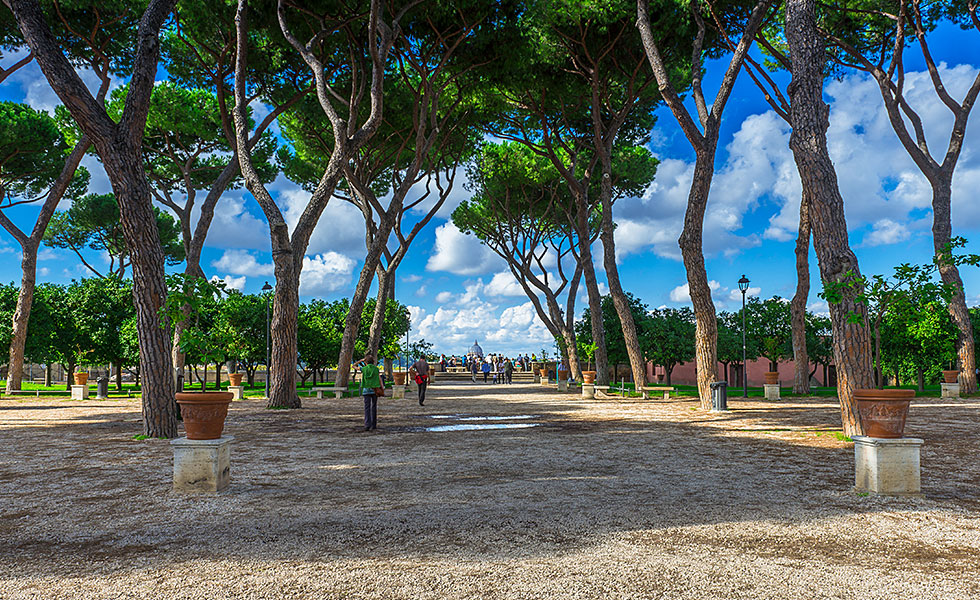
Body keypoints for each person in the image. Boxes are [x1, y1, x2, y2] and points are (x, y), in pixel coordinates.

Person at [359, 355, 382, 431]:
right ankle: (373, 424)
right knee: (374, 407)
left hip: (366, 390)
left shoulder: (364, 369)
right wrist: (382, 387)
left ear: (366, 362)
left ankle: (367, 425)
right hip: (374, 389)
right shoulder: (376, 369)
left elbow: (353, 366)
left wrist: (361, 361)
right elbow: (379, 379)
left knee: (367, 408)